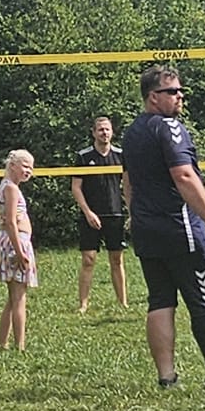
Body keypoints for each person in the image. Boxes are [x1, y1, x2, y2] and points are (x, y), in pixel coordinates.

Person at [121, 64, 205, 389]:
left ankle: (166, 378)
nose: (180, 96)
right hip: (178, 227)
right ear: (153, 97)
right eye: (172, 91)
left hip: (146, 229)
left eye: (180, 90)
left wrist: (136, 215)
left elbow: (127, 181)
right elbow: (184, 176)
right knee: (204, 296)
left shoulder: (131, 132)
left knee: (160, 299)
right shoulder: (169, 127)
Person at [72, 116, 129, 312]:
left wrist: (131, 211)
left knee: (117, 259)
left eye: (107, 129)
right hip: (91, 215)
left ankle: (123, 303)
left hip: (115, 214)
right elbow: (76, 188)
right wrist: (88, 212)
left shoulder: (121, 155)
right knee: (88, 259)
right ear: (93, 133)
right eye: (100, 130)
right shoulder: (83, 156)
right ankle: (83, 304)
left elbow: (129, 186)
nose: (104, 133)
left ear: (112, 132)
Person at [0, 149, 38, 350]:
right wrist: (20, 253)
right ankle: (20, 345)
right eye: (25, 166)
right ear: (13, 165)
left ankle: (2, 343)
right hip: (15, 243)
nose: (29, 171)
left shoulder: (7, 187)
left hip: (13, 241)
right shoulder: (11, 188)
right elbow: (10, 222)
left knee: (12, 298)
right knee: (19, 297)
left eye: (31, 167)